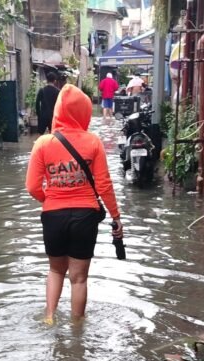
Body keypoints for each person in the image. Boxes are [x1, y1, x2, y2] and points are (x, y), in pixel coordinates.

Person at [25, 85, 123, 323]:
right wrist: (115, 216)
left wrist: (49, 200)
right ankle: (78, 328)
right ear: (84, 113)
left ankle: (49, 316)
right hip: (85, 216)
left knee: (55, 270)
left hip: (53, 216)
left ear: (58, 110)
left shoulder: (43, 143)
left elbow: (32, 186)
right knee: (79, 278)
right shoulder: (93, 142)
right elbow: (104, 184)